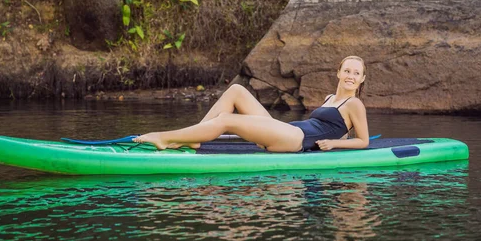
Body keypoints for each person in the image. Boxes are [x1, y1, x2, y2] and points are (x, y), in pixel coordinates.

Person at [133, 56, 369, 152]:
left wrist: (334, 144)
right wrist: (339, 136)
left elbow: (364, 141)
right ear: (338, 72)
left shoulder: (355, 103)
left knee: (226, 120)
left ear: (362, 79)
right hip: (287, 130)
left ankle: (164, 137)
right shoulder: (331, 98)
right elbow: (336, 125)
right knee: (236, 90)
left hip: (295, 139)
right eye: (347, 70)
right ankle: (195, 137)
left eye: (356, 73)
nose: (350, 76)